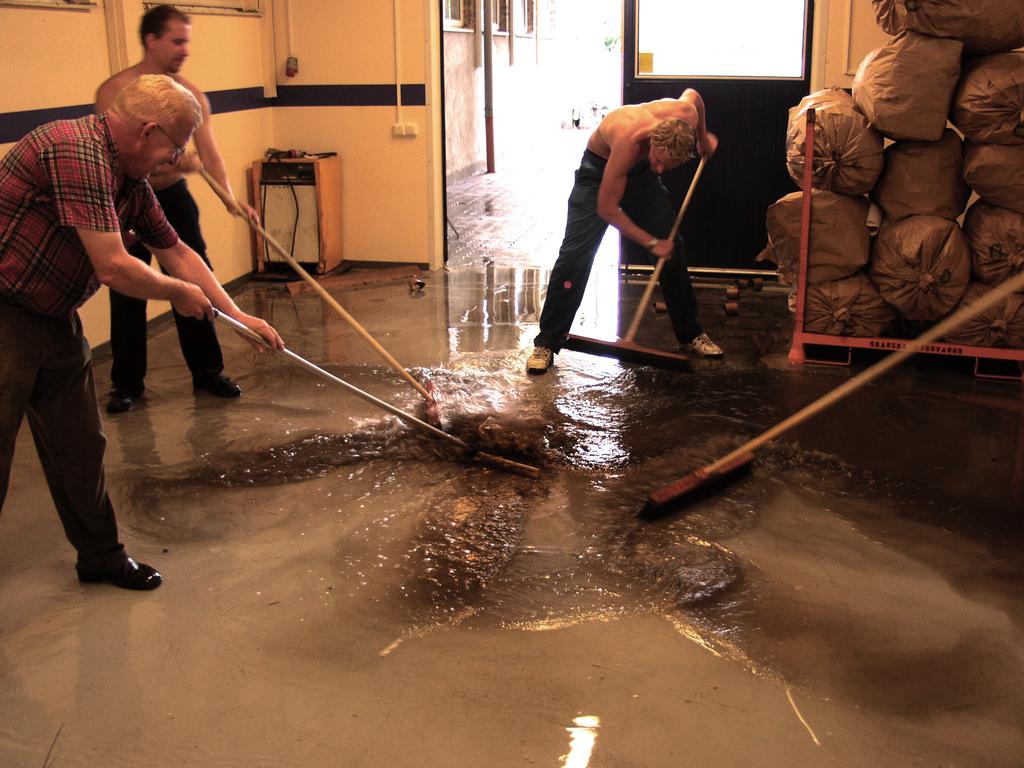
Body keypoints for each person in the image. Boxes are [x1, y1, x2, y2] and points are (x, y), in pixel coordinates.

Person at [0, 74, 284, 590]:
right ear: (146, 132)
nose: (174, 161)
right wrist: (177, 294)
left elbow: (177, 252)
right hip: (4, 313)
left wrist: (236, 316)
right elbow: (113, 267)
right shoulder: (76, 151)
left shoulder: (130, 180)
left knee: (80, 445)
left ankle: (101, 558)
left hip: (54, 317)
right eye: (173, 150)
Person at [96, 4, 259, 413]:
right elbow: (114, 154)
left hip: (173, 200)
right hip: (127, 199)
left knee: (195, 276)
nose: (185, 49)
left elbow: (210, 155)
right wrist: (178, 160)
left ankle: (207, 372)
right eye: (177, 40)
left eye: (187, 40)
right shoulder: (116, 90)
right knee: (128, 285)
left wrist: (229, 198)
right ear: (152, 40)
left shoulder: (190, 96)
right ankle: (127, 383)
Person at [527, 89, 723, 374]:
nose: (661, 169)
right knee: (574, 258)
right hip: (599, 171)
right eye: (658, 161)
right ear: (652, 140)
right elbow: (607, 208)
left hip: (639, 177)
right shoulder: (629, 140)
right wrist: (651, 242)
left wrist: (704, 137)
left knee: (673, 248)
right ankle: (547, 342)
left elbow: (694, 96)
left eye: (668, 167)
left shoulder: (686, 116)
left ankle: (690, 333)